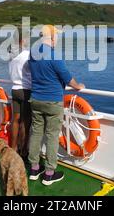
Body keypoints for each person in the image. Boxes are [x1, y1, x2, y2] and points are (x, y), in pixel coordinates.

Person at [28, 25, 85, 186]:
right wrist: (78, 86)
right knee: (52, 135)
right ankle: (49, 173)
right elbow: (67, 77)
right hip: (52, 101)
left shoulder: (33, 54)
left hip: (36, 100)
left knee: (36, 133)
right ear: (52, 37)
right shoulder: (53, 54)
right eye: (57, 37)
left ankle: (33, 169)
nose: (58, 40)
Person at [8, 29, 32, 158]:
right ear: (22, 40)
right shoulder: (28, 54)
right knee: (25, 122)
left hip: (15, 90)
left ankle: (13, 148)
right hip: (26, 90)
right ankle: (24, 151)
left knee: (15, 120)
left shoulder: (12, 54)